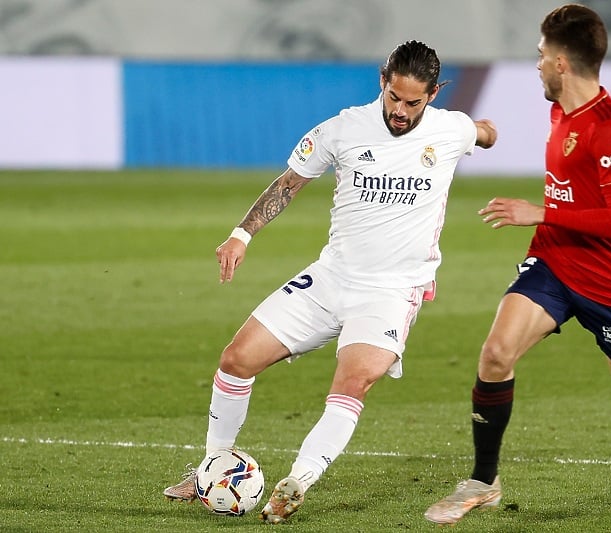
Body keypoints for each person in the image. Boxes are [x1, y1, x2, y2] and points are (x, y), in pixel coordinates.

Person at [162, 40, 497, 524]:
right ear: (383, 81)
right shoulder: (343, 129)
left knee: (352, 382)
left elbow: (483, 132)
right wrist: (241, 236)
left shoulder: (451, 130)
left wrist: (485, 133)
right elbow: (288, 183)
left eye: (413, 102)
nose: (400, 112)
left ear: (434, 93)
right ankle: (212, 465)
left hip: (390, 292)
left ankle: (297, 482)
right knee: (236, 360)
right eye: (394, 98)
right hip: (330, 277)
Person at [424, 4, 611, 526]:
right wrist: (548, 222)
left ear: (562, 62)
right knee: (496, 353)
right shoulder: (559, 108)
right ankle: (483, 479)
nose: (536, 63)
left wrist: (541, 210)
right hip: (554, 260)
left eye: (541, 55)